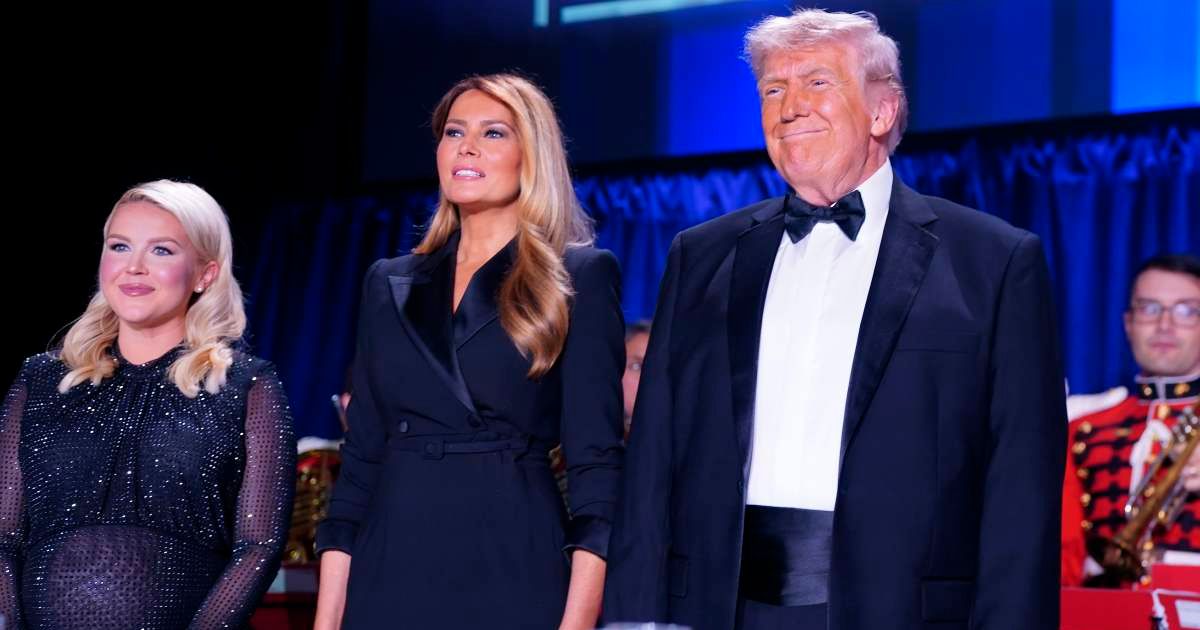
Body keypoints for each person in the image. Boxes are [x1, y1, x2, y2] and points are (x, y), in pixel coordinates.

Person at [603, 8, 1066, 630]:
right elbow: (653, 458)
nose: (789, 105)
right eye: (773, 89)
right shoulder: (702, 254)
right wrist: (634, 618)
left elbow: (1022, 486)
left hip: (906, 612)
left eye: (817, 82)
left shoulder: (994, 261)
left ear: (882, 111)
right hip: (717, 608)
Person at [313, 73, 625, 629]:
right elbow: (358, 467)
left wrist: (576, 624)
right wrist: (327, 622)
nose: (468, 146)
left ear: (532, 155)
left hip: (513, 558)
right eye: (454, 131)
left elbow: (597, 473)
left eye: (494, 133)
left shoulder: (579, 277)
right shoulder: (388, 281)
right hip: (393, 564)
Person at [0, 180, 296, 629]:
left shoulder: (245, 385)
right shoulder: (41, 380)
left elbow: (259, 545)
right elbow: (3, 535)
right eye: (120, 246)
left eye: (161, 251)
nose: (133, 267)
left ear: (205, 274)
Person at [1062, 253, 1200, 586]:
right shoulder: (1083, 425)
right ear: (1128, 324)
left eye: (1186, 311)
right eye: (1149, 309)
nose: (1165, 325)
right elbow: (1064, 555)